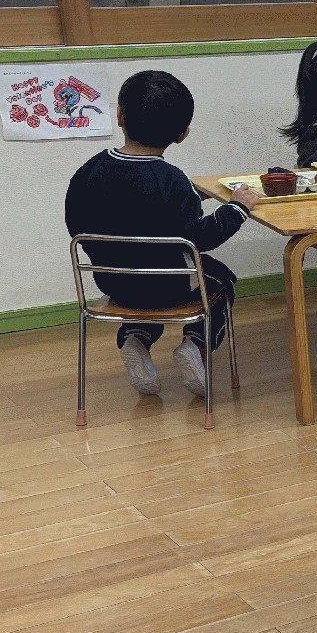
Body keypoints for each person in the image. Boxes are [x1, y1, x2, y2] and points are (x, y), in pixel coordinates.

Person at [65, 69, 257, 399]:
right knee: (222, 282)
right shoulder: (172, 180)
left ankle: (135, 338)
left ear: (120, 116)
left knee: (144, 285)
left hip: (114, 283)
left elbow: (78, 224)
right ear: (183, 134)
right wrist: (238, 208)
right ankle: (195, 345)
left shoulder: (89, 172)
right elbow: (200, 237)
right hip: (171, 286)